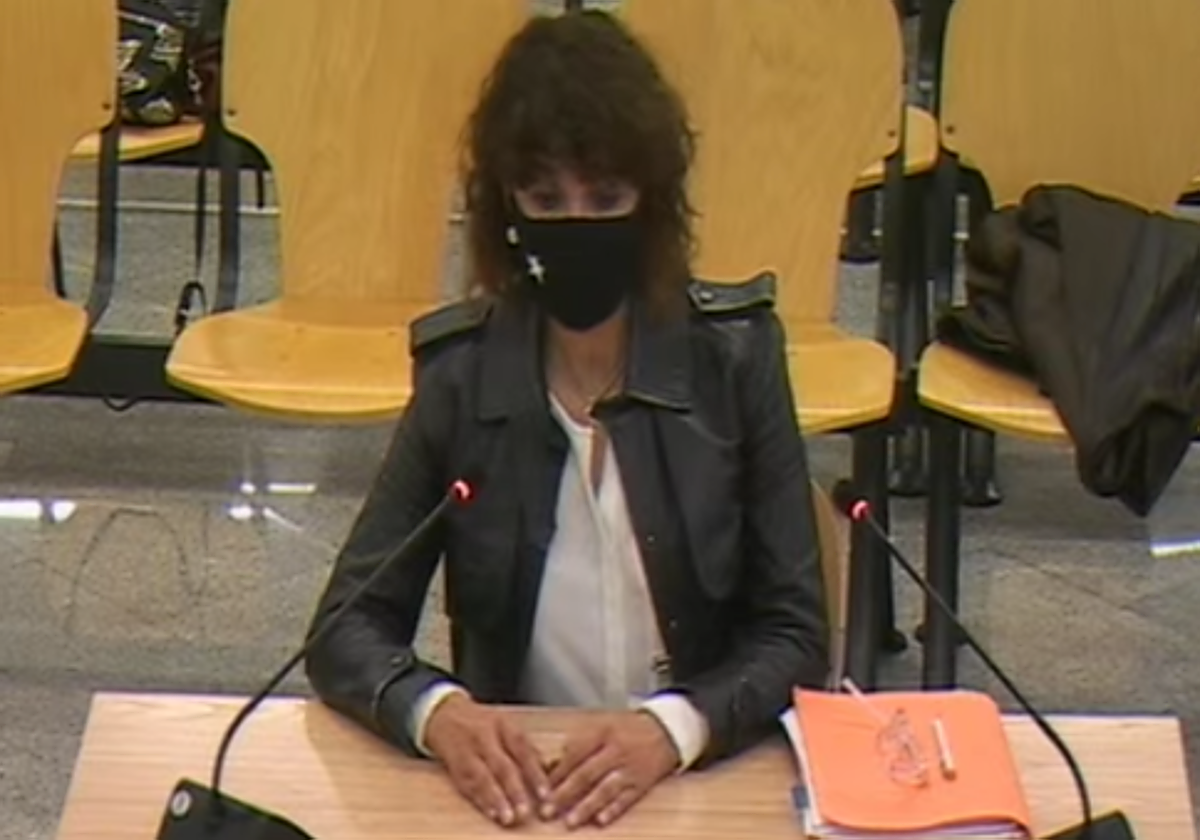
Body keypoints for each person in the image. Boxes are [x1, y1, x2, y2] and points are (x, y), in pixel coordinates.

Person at [304, 9, 829, 831]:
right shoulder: (462, 377)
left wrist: (675, 728)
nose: (577, 223)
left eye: (606, 196)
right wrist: (437, 712)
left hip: (698, 778)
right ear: (504, 209)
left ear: (651, 203)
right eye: (546, 198)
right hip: (528, 797)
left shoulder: (735, 360)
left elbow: (796, 636)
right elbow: (345, 628)